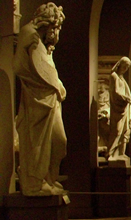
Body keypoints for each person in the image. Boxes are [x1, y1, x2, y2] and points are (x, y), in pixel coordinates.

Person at [13, 2, 67, 196]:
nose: (56, 32)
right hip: (37, 101)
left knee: (59, 143)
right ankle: (35, 183)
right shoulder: (29, 33)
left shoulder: (44, 44)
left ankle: (49, 179)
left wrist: (56, 85)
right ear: (48, 22)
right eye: (55, 27)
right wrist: (40, 87)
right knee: (37, 143)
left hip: (51, 100)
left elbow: (47, 71)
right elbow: (19, 67)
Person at [108, 57, 131, 164]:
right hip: (118, 108)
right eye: (124, 66)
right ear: (120, 64)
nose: (125, 69)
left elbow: (125, 92)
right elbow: (115, 92)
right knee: (117, 130)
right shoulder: (114, 76)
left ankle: (120, 153)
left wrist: (130, 97)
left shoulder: (121, 78)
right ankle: (110, 153)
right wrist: (126, 98)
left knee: (125, 131)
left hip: (125, 108)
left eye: (127, 67)